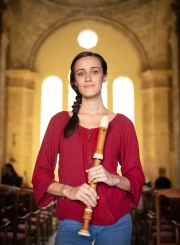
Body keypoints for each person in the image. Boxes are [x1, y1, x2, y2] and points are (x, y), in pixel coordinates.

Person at [32, 51, 145, 245]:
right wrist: (69, 191)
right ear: (74, 81)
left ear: (104, 77)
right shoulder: (59, 122)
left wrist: (113, 178)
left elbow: (135, 179)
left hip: (116, 222)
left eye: (94, 71)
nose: (88, 78)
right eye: (81, 73)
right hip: (72, 222)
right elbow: (41, 176)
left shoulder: (123, 124)